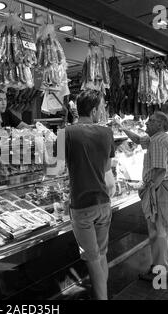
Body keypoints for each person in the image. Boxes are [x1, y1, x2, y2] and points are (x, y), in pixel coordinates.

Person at [57, 89, 116, 300]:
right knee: (101, 255)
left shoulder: (66, 132)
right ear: (93, 110)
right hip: (103, 203)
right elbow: (107, 169)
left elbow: (56, 169)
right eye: (101, 108)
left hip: (81, 206)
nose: (103, 112)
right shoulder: (107, 133)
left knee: (92, 259)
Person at [115, 111, 168, 281]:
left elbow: (159, 170)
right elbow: (137, 139)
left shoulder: (157, 141)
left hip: (160, 188)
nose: (146, 124)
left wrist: (148, 189)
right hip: (166, 187)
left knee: (158, 232)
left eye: (151, 121)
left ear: (160, 124)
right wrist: (121, 128)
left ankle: (159, 274)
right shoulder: (160, 138)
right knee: (166, 228)